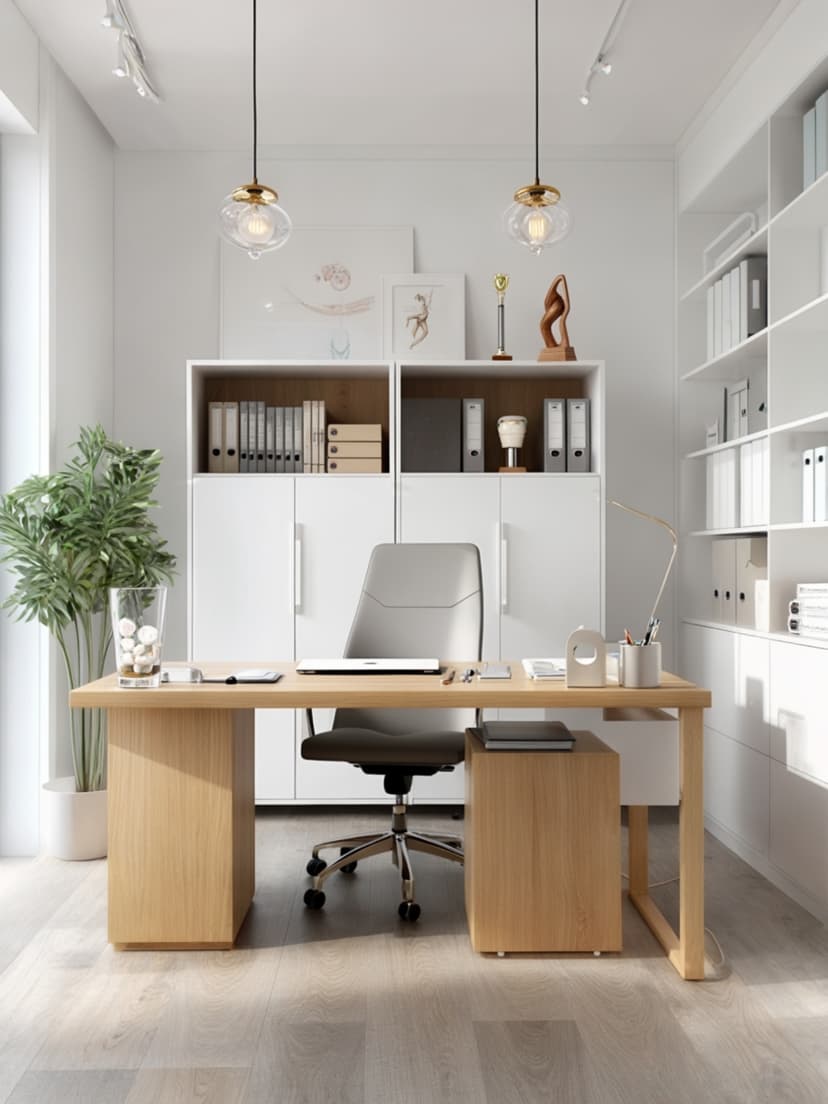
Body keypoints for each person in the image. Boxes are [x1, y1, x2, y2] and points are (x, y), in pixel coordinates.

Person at [539, 274, 571, 349]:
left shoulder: (558, 303)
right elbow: (560, 278)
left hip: (558, 305)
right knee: (544, 326)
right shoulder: (552, 300)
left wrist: (565, 312)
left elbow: (561, 278)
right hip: (556, 305)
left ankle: (554, 347)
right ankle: (552, 347)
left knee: (544, 326)